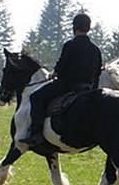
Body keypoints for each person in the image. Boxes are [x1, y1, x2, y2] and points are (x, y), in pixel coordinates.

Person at [19, 13, 102, 146]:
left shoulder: (70, 45)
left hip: (67, 85)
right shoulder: (96, 49)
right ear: (88, 28)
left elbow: (62, 66)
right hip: (88, 88)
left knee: (36, 97)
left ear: (74, 27)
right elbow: (97, 73)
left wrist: (54, 73)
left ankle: (36, 134)